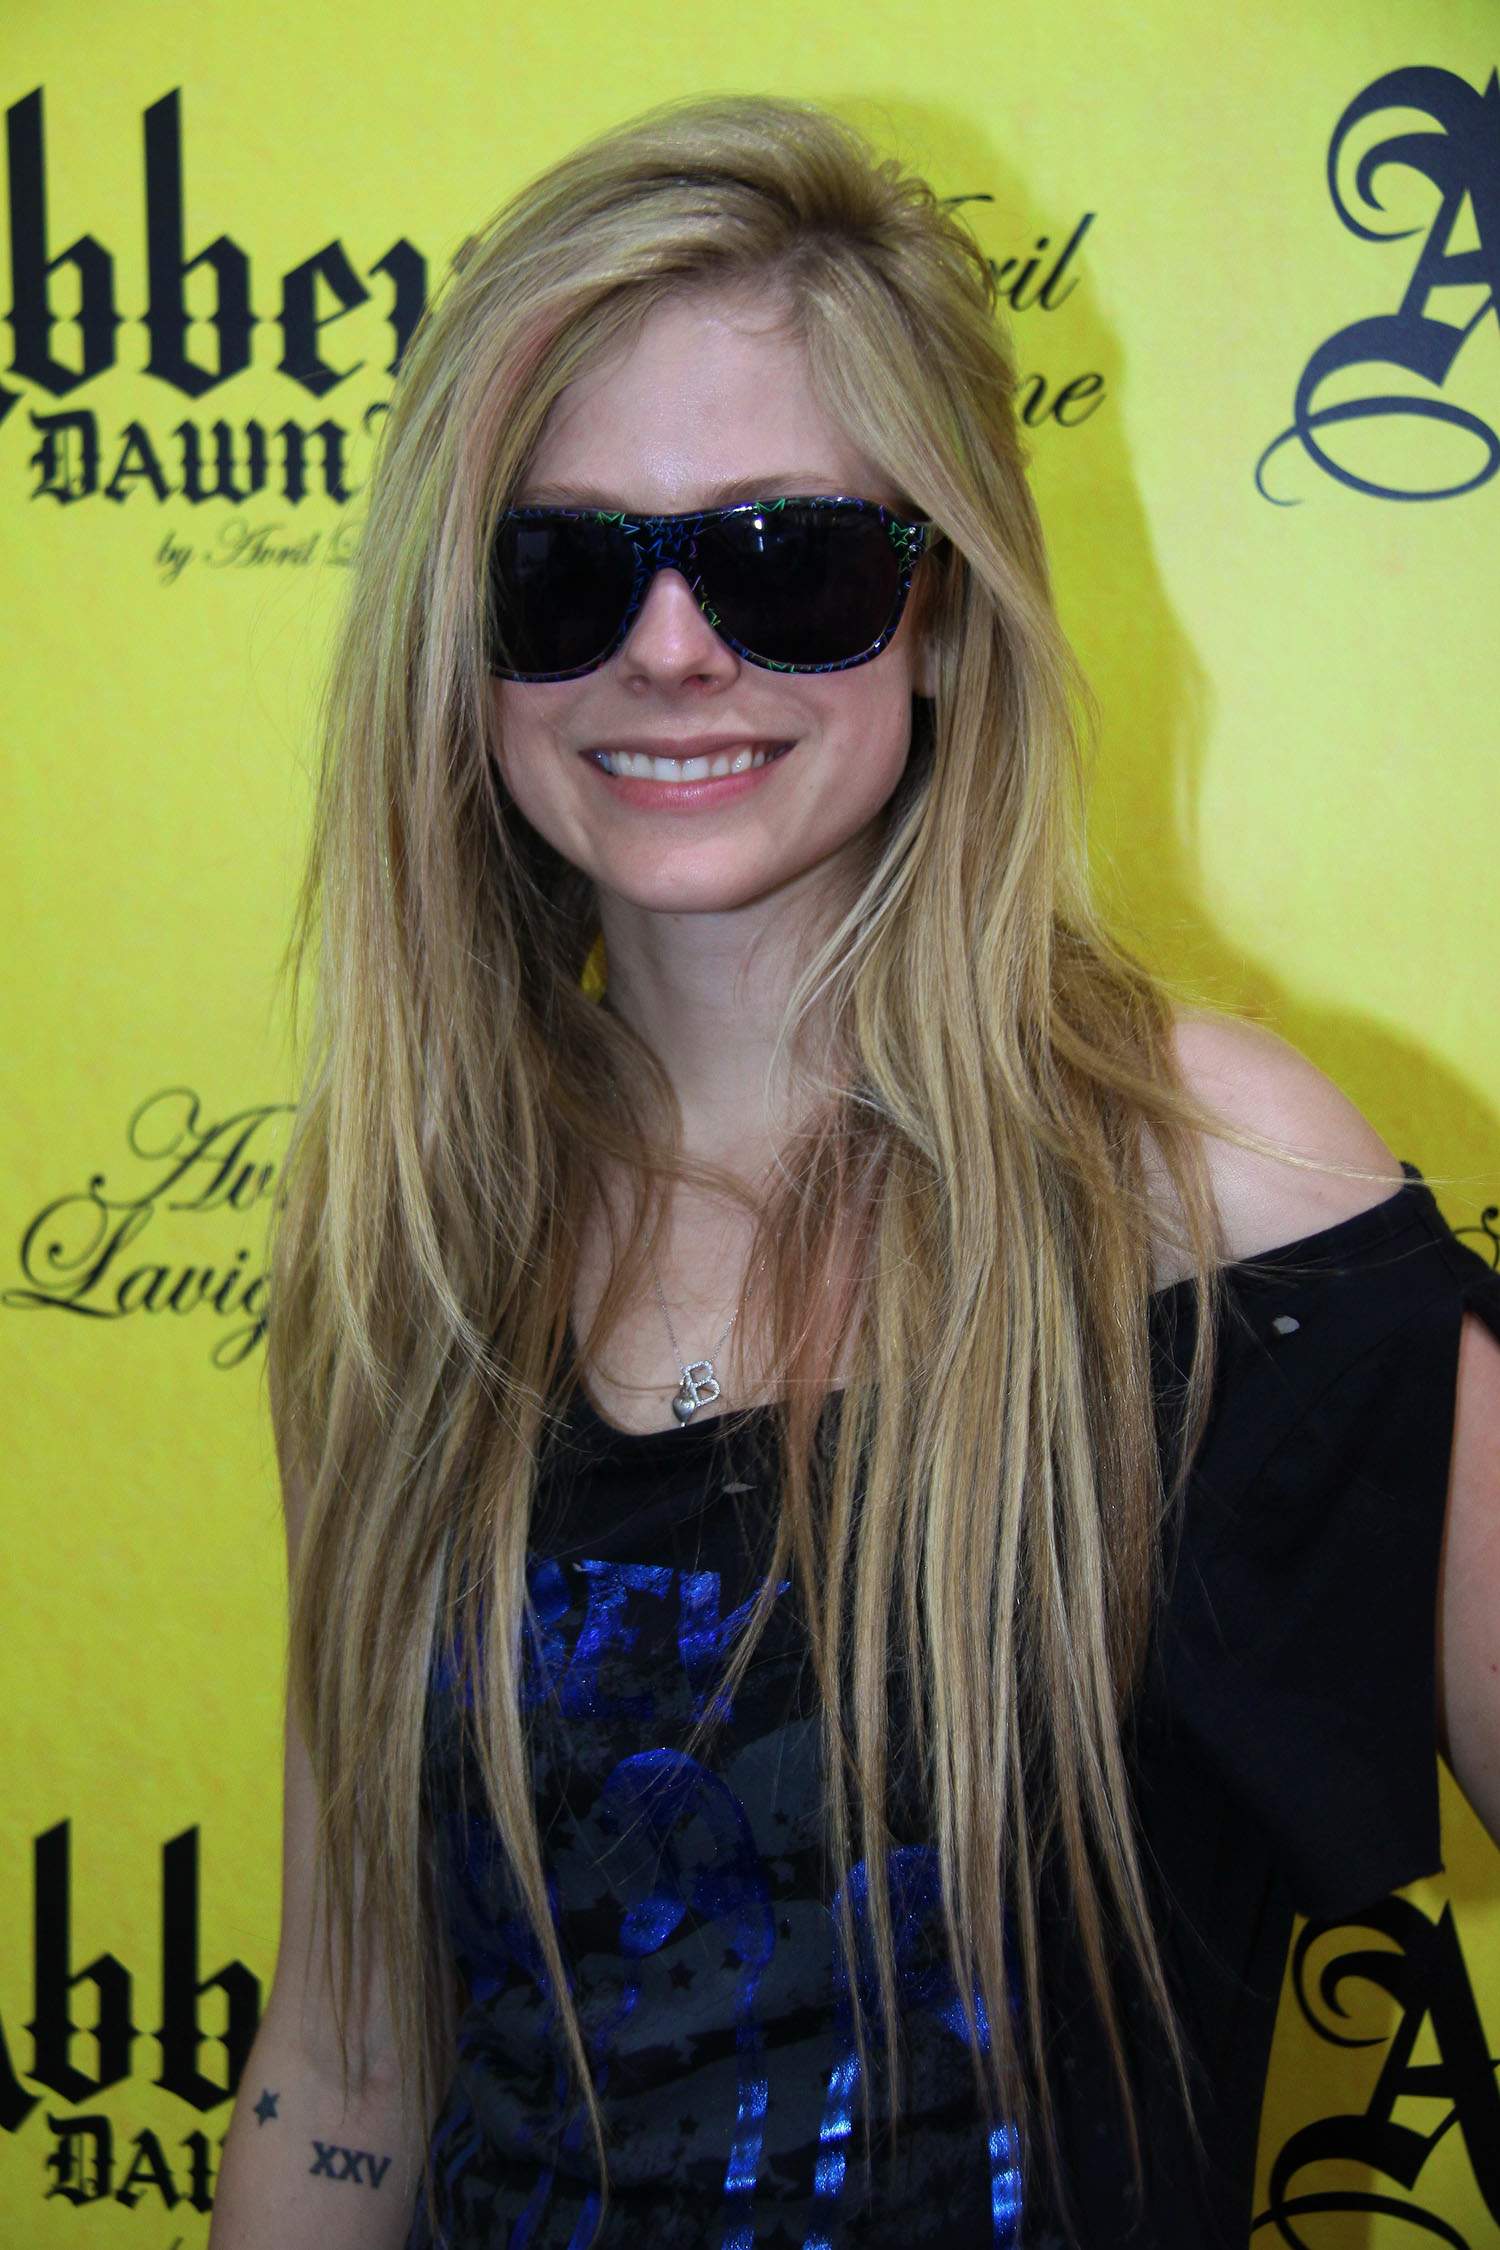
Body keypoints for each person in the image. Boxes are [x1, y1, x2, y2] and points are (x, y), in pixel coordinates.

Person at [207, 93, 1500, 2250]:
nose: (671, 648)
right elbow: (345, 2066)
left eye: (785, 559)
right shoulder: (412, 1245)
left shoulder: (1210, 1188)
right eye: (562, 569)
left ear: (944, 609)